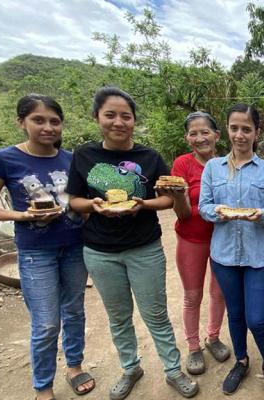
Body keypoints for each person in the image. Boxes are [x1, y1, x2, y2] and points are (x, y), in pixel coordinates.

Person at [66, 87, 198, 399]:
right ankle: (130, 367)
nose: (118, 122)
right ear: (97, 117)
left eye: (126, 116)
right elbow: (73, 200)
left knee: (155, 314)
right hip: (99, 251)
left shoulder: (149, 157)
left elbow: (168, 197)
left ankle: (172, 370)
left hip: (144, 248)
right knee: (119, 316)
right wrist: (94, 205)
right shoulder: (84, 156)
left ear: (134, 120)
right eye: (110, 115)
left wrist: (144, 204)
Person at [0, 94, 94, 400]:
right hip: (36, 251)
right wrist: (22, 215)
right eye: (38, 120)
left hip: (75, 247)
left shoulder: (70, 159)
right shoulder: (5, 159)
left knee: (75, 311)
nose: (48, 127)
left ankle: (75, 366)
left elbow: (79, 203)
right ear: (21, 122)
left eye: (54, 121)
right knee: (46, 322)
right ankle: (43, 386)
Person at [198, 103, 264, 400]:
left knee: (257, 318)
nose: (240, 134)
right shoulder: (213, 167)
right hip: (223, 255)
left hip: (259, 256)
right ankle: (241, 360)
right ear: (227, 131)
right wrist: (218, 212)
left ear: (256, 132)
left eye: (246, 129)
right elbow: (204, 207)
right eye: (234, 128)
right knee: (235, 314)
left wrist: (259, 213)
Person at [167, 111, 230, 375]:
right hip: (191, 239)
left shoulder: (228, 164)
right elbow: (181, 213)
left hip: (222, 240)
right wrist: (179, 195)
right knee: (193, 296)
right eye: (193, 133)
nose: (200, 137)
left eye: (205, 132)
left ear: (217, 135)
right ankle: (193, 346)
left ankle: (213, 337)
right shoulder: (182, 164)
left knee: (219, 293)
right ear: (187, 138)